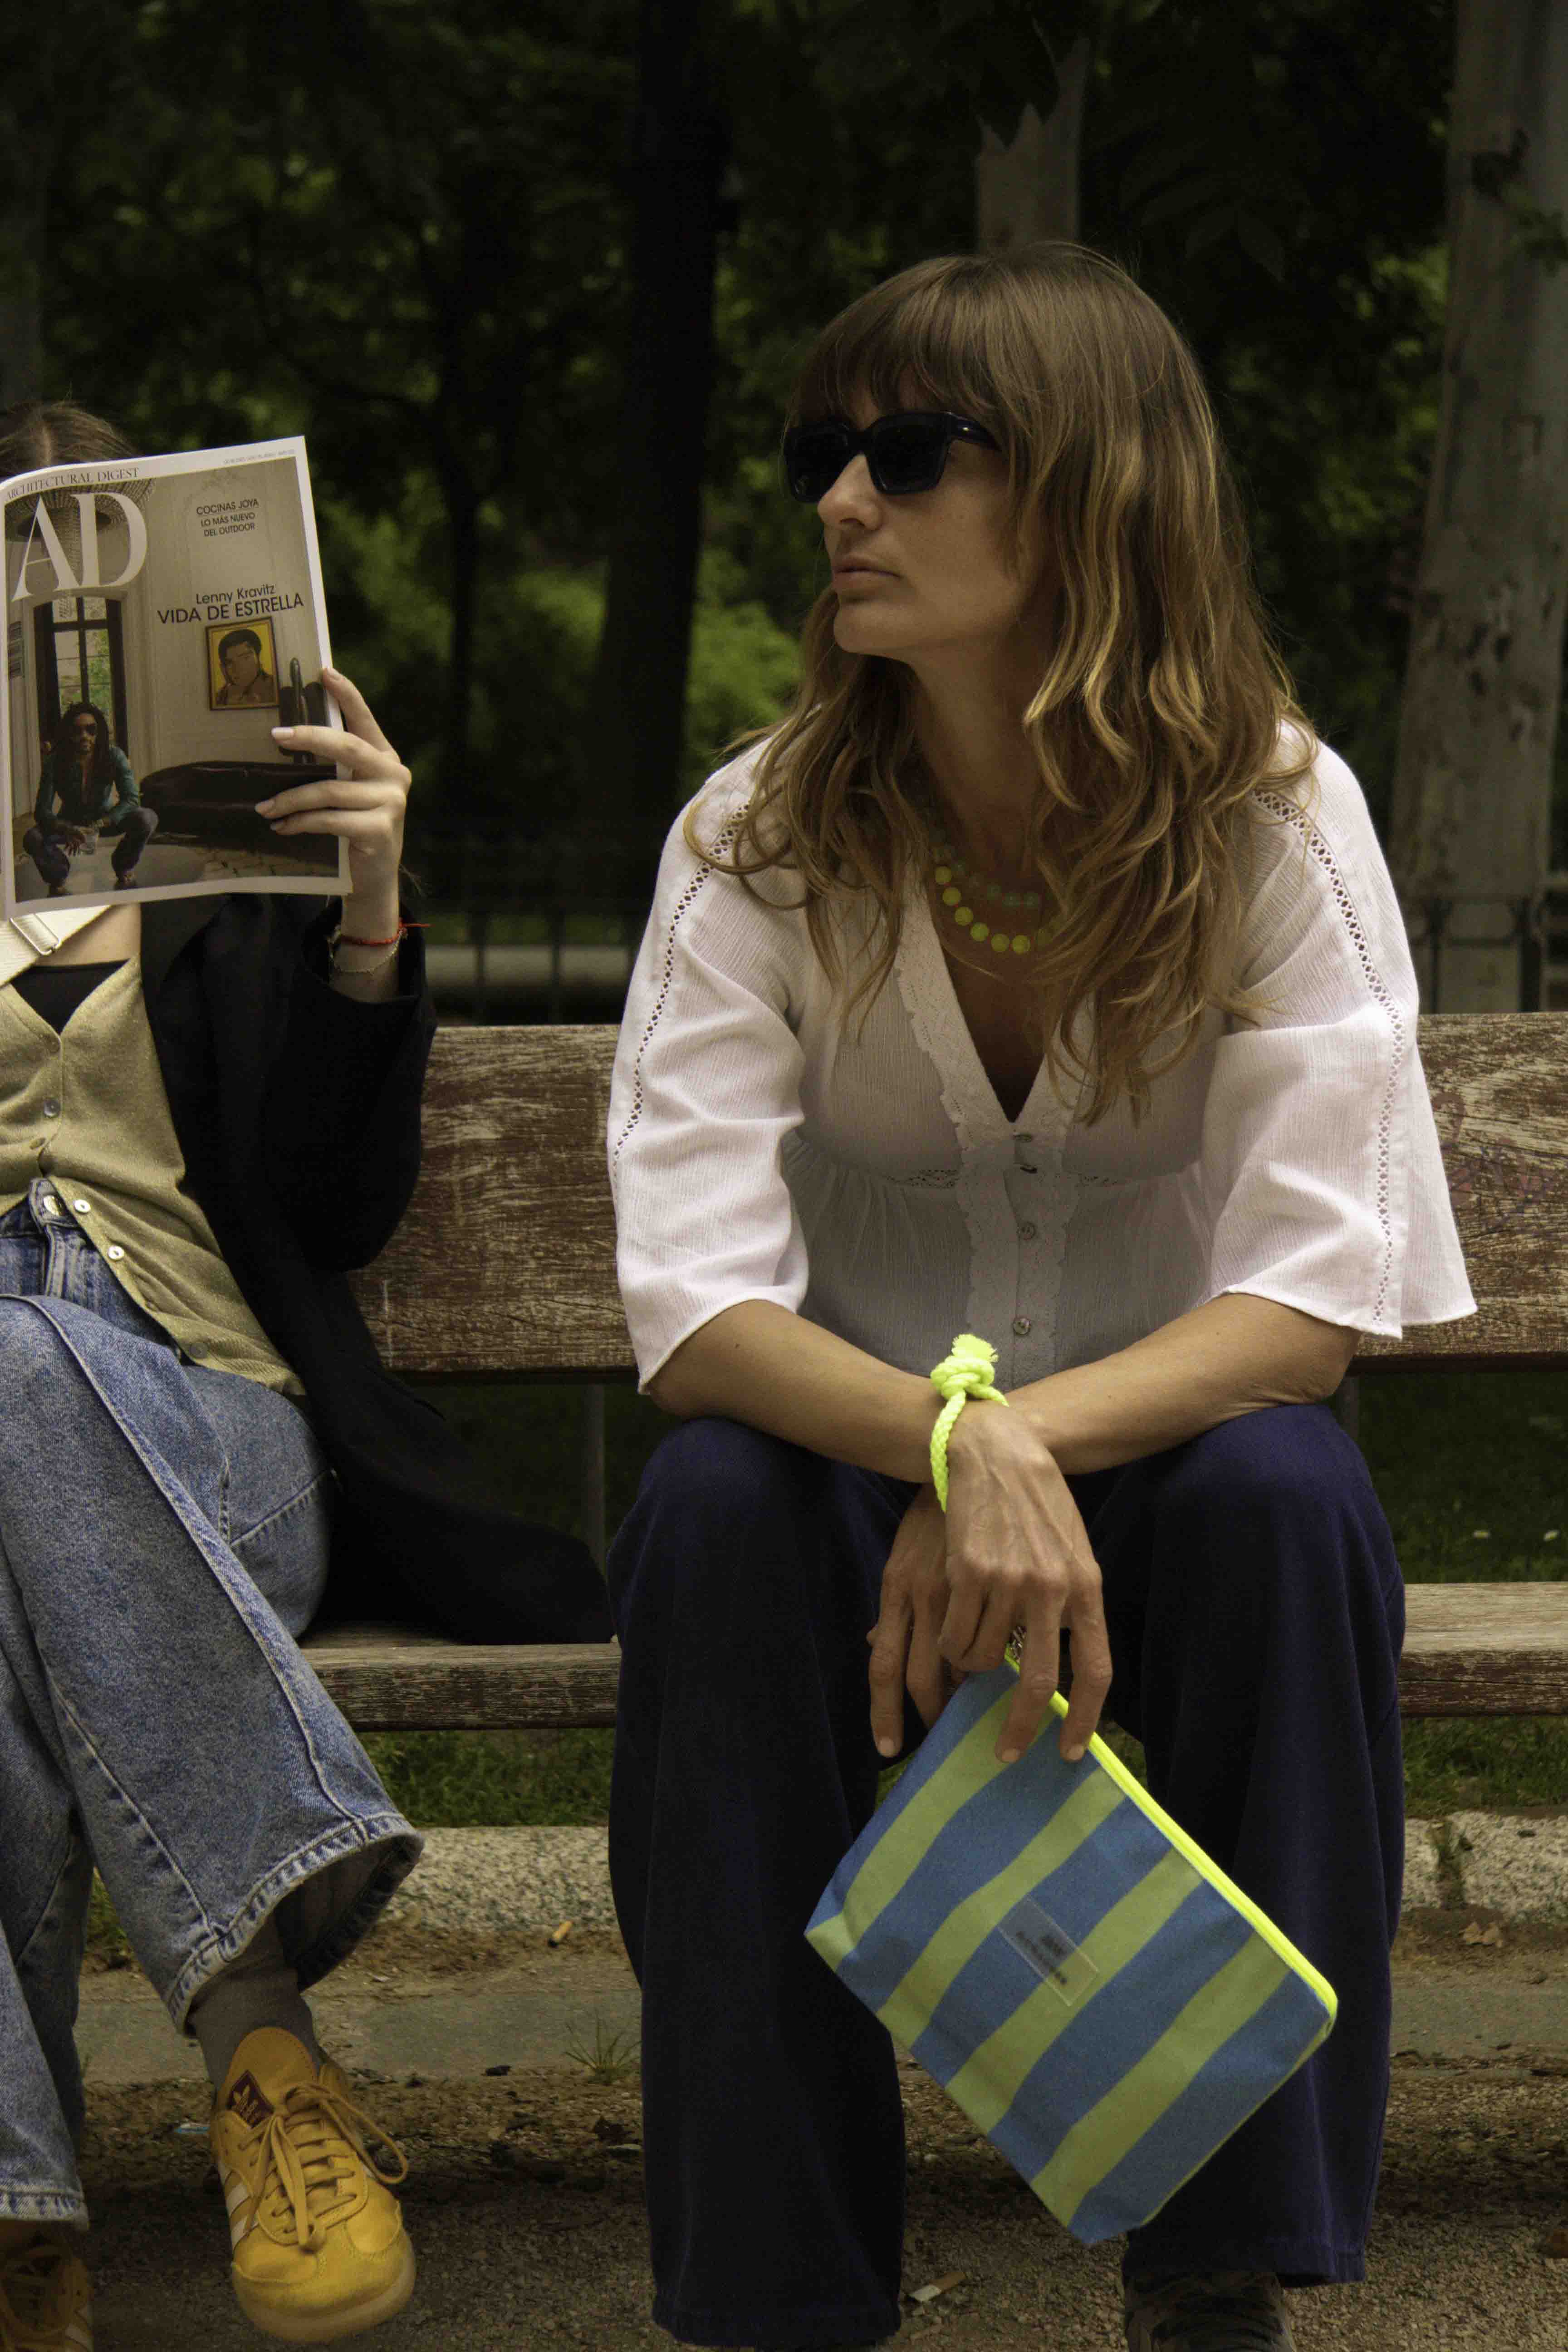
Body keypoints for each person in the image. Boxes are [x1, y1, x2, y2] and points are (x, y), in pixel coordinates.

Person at [604, 246, 1475, 2352]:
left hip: (1163, 1481)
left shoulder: (1275, 817)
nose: (843, 502)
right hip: (841, 1488)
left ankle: (1217, 2279)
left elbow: (1309, 1301)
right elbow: (696, 1309)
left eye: (910, 453)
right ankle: (778, 2301)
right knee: (710, 1517)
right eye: (826, 456)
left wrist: (1011, 1451)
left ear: (1092, 489)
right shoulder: (752, 839)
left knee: (1289, 1503)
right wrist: (939, 1445)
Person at [0, 402, 612, 2352]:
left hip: (212, 1417)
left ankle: (34, 2188)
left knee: (16, 1362)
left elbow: (340, 1205)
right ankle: (253, 2069)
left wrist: (364, 904)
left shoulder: (229, 865)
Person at [22, 702, 159, 895]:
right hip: (70, 824)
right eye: (77, 731)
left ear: (99, 732)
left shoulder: (114, 756)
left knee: (147, 818)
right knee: (32, 838)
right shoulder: (55, 761)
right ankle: (58, 874)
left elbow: (131, 799)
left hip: (105, 820)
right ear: (69, 734)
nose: (84, 736)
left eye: (91, 730)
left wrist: (103, 822)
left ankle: (123, 864)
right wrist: (66, 828)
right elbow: (42, 811)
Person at [215, 627, 279, 708]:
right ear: (224, 668)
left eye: (245, 659)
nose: (238, 669)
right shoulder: (220, 697)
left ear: (259, 658)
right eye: (230, 663)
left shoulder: (275, 688)